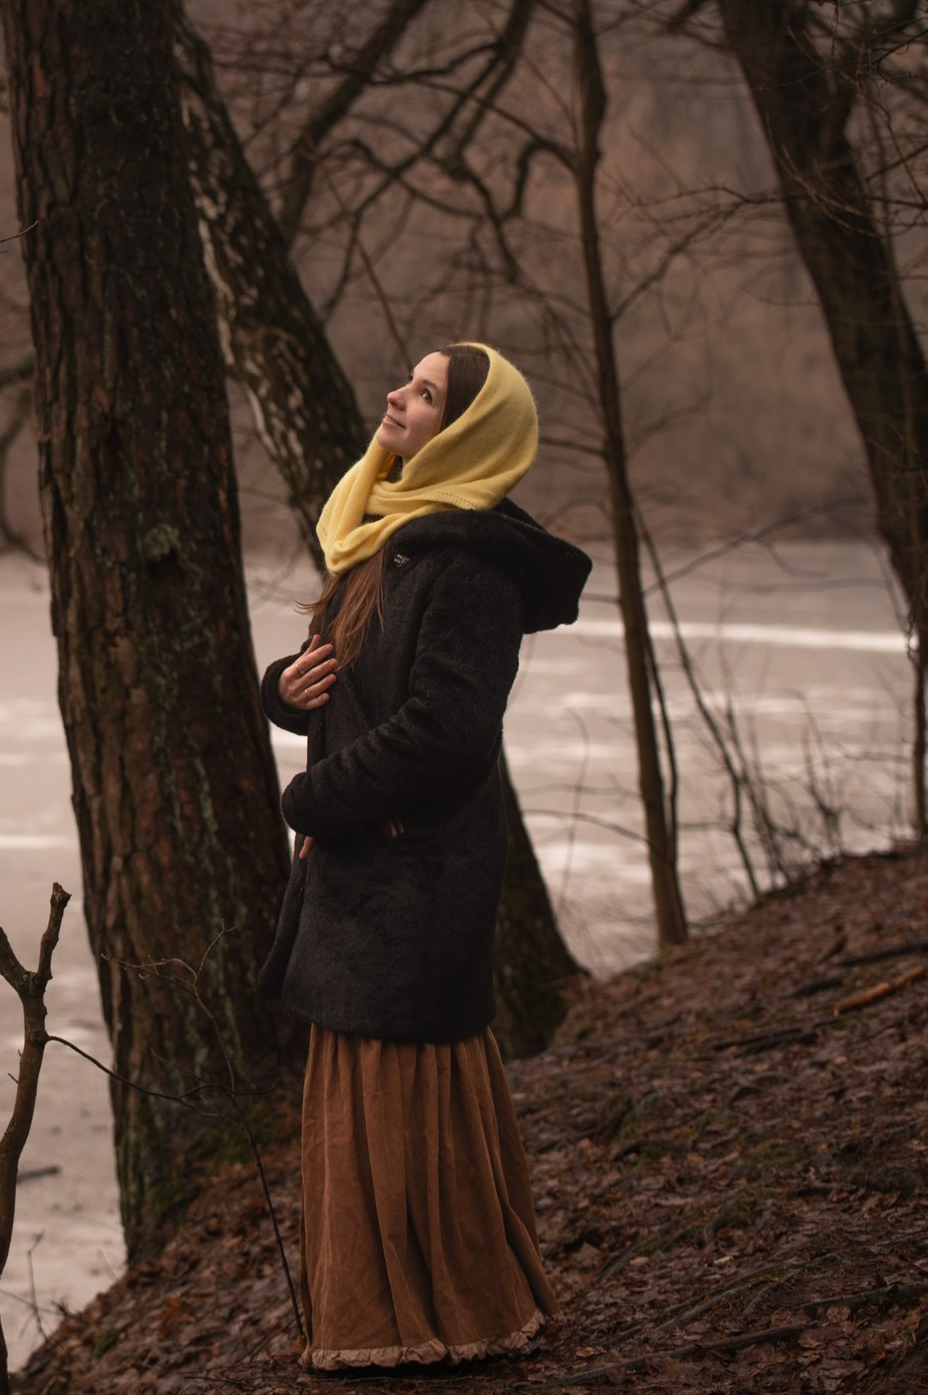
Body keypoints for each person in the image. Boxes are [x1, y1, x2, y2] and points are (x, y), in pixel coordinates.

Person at [258, 341, 590, 1371]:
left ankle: (439, 1316)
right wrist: (281, 688)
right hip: (370, 873)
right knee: (366, 1089)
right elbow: (345, 672)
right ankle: (387, 1318)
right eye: (405, 382)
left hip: (416, 873)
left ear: (467, 432)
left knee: (408, 1098)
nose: (397, 397)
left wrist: (312, 795)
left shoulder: (471, 567)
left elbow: (446, 733)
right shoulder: (385, 531)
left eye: (425, 393)